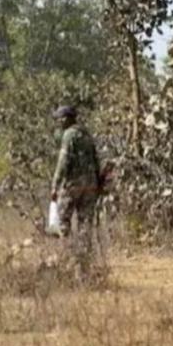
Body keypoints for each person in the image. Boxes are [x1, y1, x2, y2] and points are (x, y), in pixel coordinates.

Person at [50, 106, 102, 283]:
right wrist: (98, 184)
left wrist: (55, 186)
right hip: (90, 186)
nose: (58, 122)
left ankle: (69, 260)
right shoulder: (86, 135)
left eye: (60, 119)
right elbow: (96, 161)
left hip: (72, 185)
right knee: (85, 225)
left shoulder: (68, 135)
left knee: (62, 221)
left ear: (67, 119)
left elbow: (63, 162)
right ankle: (84, 268)